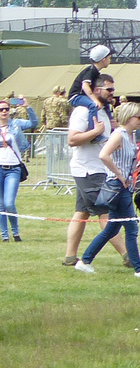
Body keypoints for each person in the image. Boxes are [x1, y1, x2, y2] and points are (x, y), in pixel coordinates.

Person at [75, 102, 140, 274]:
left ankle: (85, 260)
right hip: (117, 186)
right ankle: (138, 268)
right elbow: (103, 155)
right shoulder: (119, 135)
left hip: (124, 186)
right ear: (129, 117)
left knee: (112, 228)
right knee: (132, 228)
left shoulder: (130, 135)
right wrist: (119, 174)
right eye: (138, 117)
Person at [64, 75, 117, 266]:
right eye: (108, 90)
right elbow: (72, 140)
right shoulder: (83, 111)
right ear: (95, 90)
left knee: (82, 213)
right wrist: (96, 132)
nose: (112, 93)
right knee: (106, 214)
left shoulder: (103, 112)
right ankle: (130, 257)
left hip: (100, 168)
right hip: (88, 170)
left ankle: (70, 257)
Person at [0, 99, 38, 242]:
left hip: (13, 169)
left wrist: (28, 107)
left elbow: (34, 123)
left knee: (9, 203)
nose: (4, 111)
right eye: (1, 110)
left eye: (6, 109)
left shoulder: (16, 124)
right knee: (0, 205)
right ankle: (4, 235)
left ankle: (15, 232)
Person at [70, 45, 113, 115]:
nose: (110, 60)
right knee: (93, 106)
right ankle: (93, 125)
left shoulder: (95, 72)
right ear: (104, 59)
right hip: (76, 96)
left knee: (105, 104)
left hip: (83, 96)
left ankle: (111, 122)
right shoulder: (91, 71)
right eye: (109, 58)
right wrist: (95, 100)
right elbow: (85, 86)